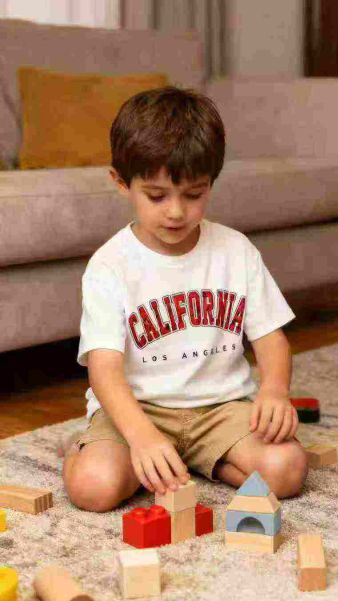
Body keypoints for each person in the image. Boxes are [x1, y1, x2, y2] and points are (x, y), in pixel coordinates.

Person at [61, 85, 308, 512]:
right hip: (137, 412)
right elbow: (104, 370)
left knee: (287, 469)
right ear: (121, 182)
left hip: (220, 410)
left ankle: (202, 462)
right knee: (94, 487)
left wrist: (274, 390)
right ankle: (80, 448)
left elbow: (271, 339)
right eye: (157, 196)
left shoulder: (236, 251)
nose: (176, 211)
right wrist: (141, 436)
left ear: (211, 183)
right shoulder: (109, 265)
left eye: (194, 194)